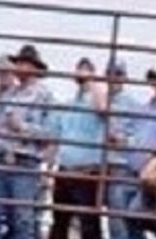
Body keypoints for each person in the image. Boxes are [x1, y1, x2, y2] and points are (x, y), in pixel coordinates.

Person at [0, 45, 55, 239]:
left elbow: (50, 132)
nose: (19, 67)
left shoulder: (44, 95)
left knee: (22, 219)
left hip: (24, 162)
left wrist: (22, 128)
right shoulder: (8, 94)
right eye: (18, 63)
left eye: (23, 63)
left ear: (34, 68)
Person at [50, 58, 109, 239]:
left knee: (89, 225)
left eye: (85, 70)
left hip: (87, 171)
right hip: (65, 169)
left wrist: (91, 81)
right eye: (79, 70)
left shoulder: (98, 98)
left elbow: (103, 108)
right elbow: (57, 135)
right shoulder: (68, 103)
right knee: (59, 221)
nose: (81, 75)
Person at [102, 61, 146, 239]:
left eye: (118, 74)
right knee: (113, 215)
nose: (114, 78)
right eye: (111, 73)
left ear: (124, 78)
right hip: (100, 164)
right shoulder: (100, 99)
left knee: (118, 216)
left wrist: (122, 139)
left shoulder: (133, 104)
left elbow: (139, 137)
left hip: (121, 165)